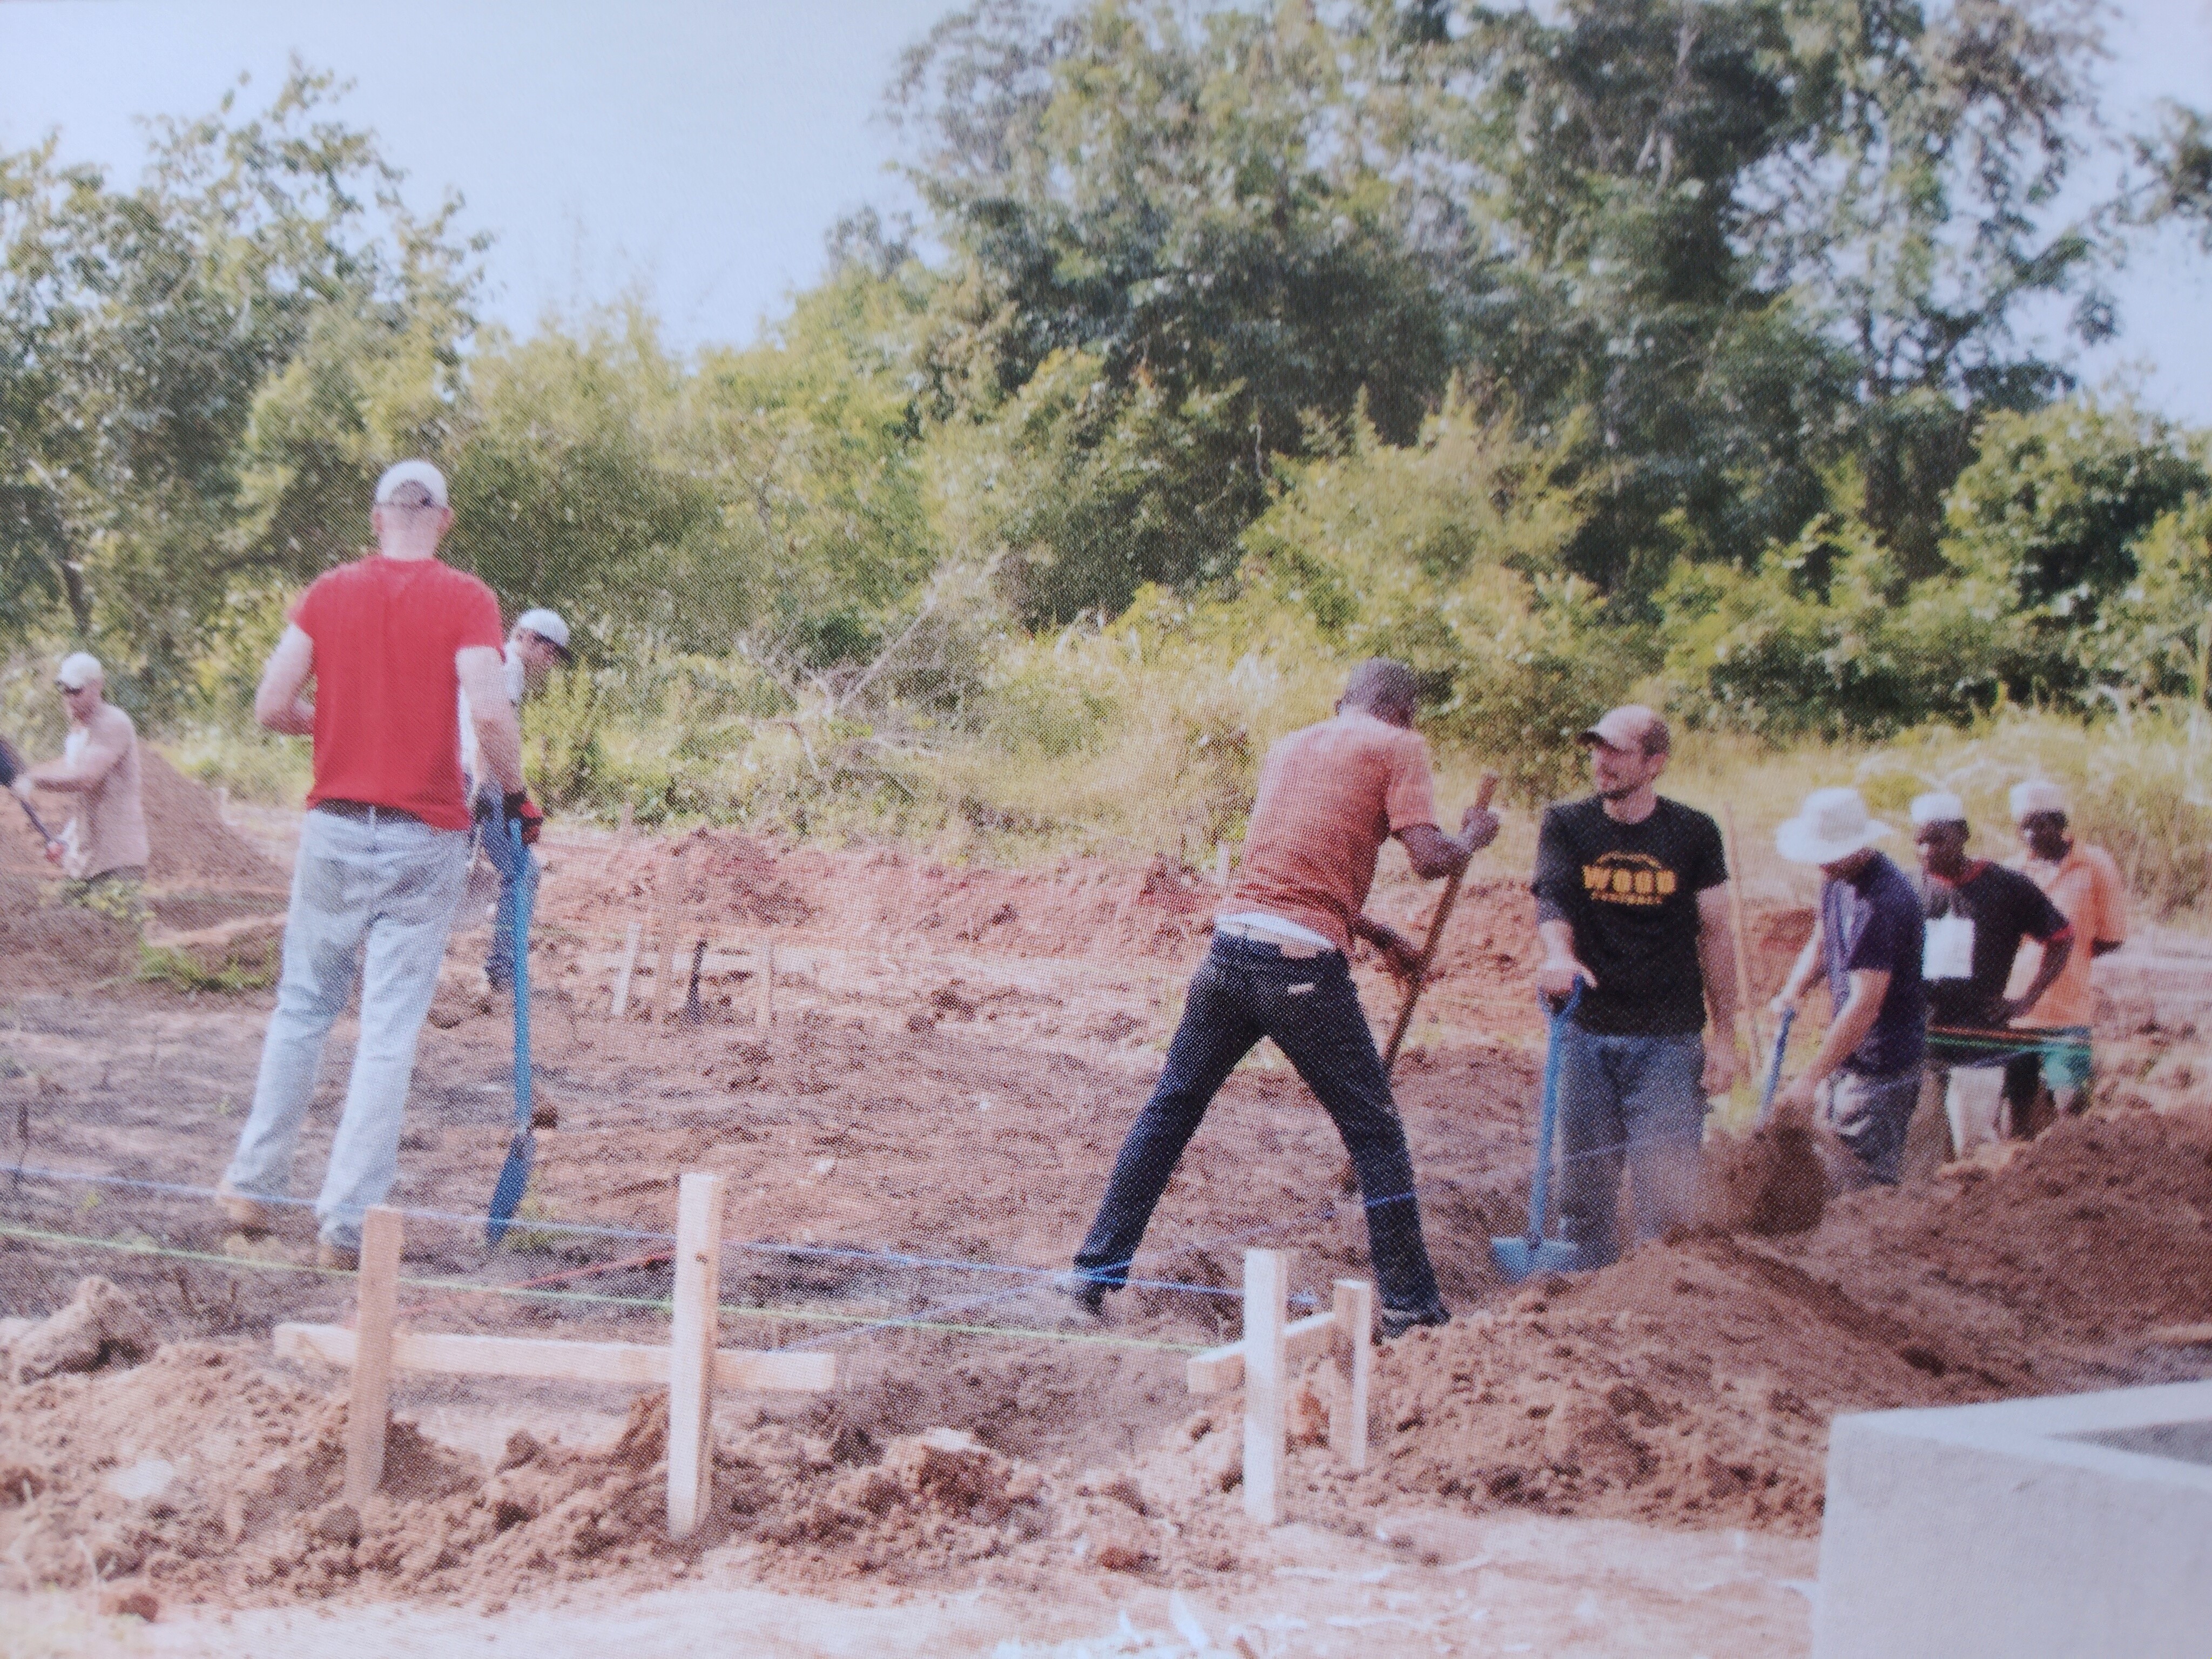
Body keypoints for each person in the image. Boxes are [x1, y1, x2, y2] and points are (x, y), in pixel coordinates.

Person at [1063, 659, 1499, 1336]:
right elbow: (1428, 858)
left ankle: (1092, 1273)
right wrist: (1472, 835)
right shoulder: (1400, 746)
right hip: (1297, 967)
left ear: (1341, 703)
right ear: (1407, 713)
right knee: (1375, 1132)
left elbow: (1299, 868)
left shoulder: (1291, 745)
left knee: (1170, 1109)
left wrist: (1378, 936)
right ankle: (1412, 1308)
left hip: (1230, 949)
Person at [218, 460, 533, 1269]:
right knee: (387, 1033)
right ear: (445, 521)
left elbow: (268, 705)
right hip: (423, 837)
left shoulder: (328, 593)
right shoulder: (466, 600)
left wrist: (331, 723)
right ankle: (345, 1229)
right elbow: (491, 714)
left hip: (332, 829)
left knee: (302, 1009)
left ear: (375, 517)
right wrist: (519, 794)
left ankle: (252, 1187)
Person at [1531, 705, 1739, 1267]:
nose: (1602, 761)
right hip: (1585, 1033)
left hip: (1668, 1042)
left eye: (1617, 750)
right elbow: (1552, 900)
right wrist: (1559, 955)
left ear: (1655, 763)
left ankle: (1657, 1324)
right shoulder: (1567, 825)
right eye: (1597, 748)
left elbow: (1717, 934)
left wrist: (1724, 1038)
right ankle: (1581, 1313)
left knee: (1666, 1206)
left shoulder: (1693, 833)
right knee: (1582, 1197)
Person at [1769, 788, 1927, 1187]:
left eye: (1829, 851)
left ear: (1859, 846)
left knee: (1860, 1184)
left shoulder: (1883, 903)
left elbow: (1864, 1005)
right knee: (1830, 1171)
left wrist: (1809, 1079)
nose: (1820, 861)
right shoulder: (1837, 876)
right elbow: (1822, 940)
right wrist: (1794, 989)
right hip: (1850, 1059)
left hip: (1881, 1067)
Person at [1908, 791, 2071, 1155]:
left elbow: (2061, 938)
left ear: (1963, 834)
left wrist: (2026, 999)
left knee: (1976, 1152)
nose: (1928, 851)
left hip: (1980, 1044)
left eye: (1938, 839)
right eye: (1920, 842)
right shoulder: (1910, 888)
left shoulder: (2006, 887)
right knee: (1921, 1154)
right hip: (1923, 1044)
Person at [462, 607, 571, 995]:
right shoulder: (508, 666)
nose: (551, 661)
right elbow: (485, 727)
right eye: (550, 650)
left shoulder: (495, 661)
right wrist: (488, 790)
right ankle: (504, 972)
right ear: (526, 637)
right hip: (474, 779)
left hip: (463, 776)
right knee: (523, 873)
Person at [2001, 780, 2121, 1130]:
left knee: (2071, 1104)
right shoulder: (2014, 872)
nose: (2032, 835)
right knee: (2017, 1105)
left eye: (2040, 824)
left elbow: (2111, 936)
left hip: (2069, 1010)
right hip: (2019, 1009)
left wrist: (2069, 957)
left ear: (2060, 823)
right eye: (2024, 826)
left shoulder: (2094, 865)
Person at [10, 653, 151, 925]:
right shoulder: (78, 733)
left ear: (97, 686)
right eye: (64, 689)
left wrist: (31, 779)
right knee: (66, 938)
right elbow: (83, 799)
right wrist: (64, 840)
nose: (69, 697)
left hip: (117, 862)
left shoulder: (112, 724)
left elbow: (86, 778)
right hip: (84, 862)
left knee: (120, 948)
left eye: (76, 690)